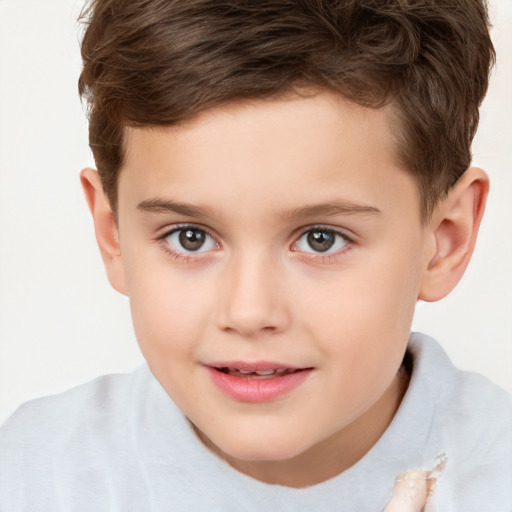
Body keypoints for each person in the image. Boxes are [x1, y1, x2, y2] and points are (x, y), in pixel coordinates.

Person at [0, 0, 510, 510]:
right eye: (190, 237)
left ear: (444, 240)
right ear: (113, 234)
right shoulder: (32, 474)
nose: (249, 312)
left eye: (321, 239)